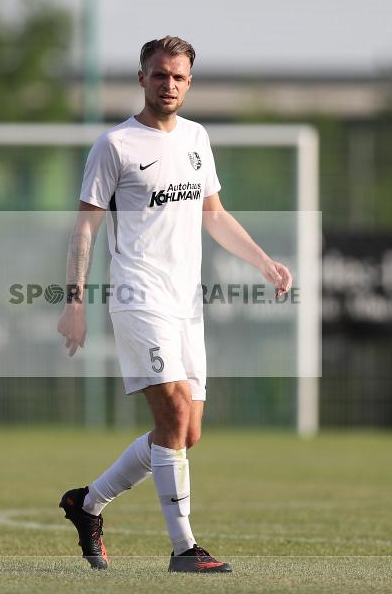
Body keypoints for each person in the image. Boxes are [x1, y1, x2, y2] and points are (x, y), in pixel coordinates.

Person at [57, 36, 292, 573]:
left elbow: (214, 215)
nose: (169, 85)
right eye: (160, 75)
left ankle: (87, 503)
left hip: (188, 304)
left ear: (190, 82)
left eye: (179, 77)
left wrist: (262, 262)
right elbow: (84, 231)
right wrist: (75, 301)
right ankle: (185, 549)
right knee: (174, 414)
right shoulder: (114, 145)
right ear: (142, 78)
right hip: (139, 297)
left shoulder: (196, 138)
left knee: (186, 433)